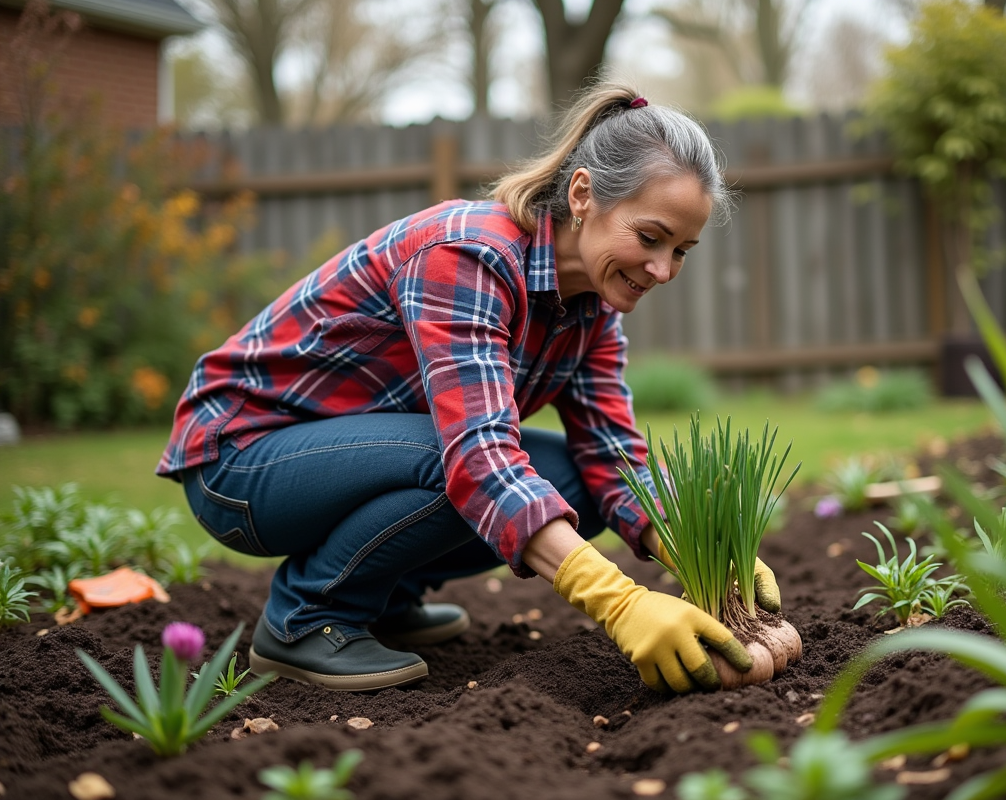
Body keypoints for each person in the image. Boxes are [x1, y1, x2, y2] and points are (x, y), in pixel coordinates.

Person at [157, 81, 782, 694]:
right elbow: (479, 456)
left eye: (682, 250)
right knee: (468, 456)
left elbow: (615, 461)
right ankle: (307, 618)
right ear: (585, 195)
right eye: (650, 238)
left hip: (345, 457)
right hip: (239, 458)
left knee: (581, 480)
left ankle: (383, 597)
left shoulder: (594, 309)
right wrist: (619, 603)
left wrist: (706, 553)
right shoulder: (470, 255)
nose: (663, 269)